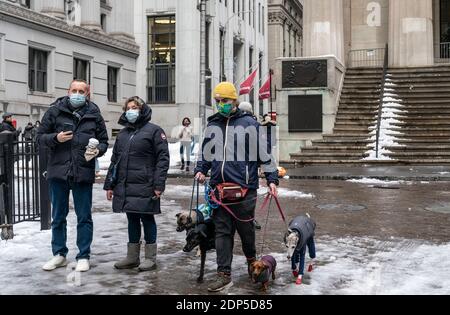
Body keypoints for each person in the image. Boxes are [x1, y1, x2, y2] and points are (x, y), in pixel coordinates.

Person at [194, 82, 279, 292]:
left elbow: (264, 154)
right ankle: (224, 274)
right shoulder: (212, 124)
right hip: (218, 190)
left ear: (234, 101)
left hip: (244, 189)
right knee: (222, 232)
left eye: (225, 100)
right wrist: (200, 169)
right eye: (217, 101)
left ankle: (252, 262)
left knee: (246, 231)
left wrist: (272, 179)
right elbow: (206, 153)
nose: (221, 104)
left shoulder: (249, 123)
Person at [37, 79, 109, 272]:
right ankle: (59, 254)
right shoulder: (54, 111)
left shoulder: (94, 115)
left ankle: (83, 255)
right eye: (74, 90)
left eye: (81, 91)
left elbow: (104, 141)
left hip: (82, 172)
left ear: (87, 94)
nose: (77, 94)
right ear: (68, 91)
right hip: (58, 172)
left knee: (84, 216)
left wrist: (98, 151)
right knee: (58, 216)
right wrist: (55, 138)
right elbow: (39, 138)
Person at [104, 96, 170, 272]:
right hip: (126, 185)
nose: (131, 110)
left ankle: (150, 257)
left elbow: (163, 160)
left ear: (142, 109)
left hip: (146, 185)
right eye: (128, 108)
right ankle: (132, 256)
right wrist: (110, 185)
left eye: (135, 107)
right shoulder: (123, 134)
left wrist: (158, 185)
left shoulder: (155, 131)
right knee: (132, 218)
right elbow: (115, 161)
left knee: (147, 218)